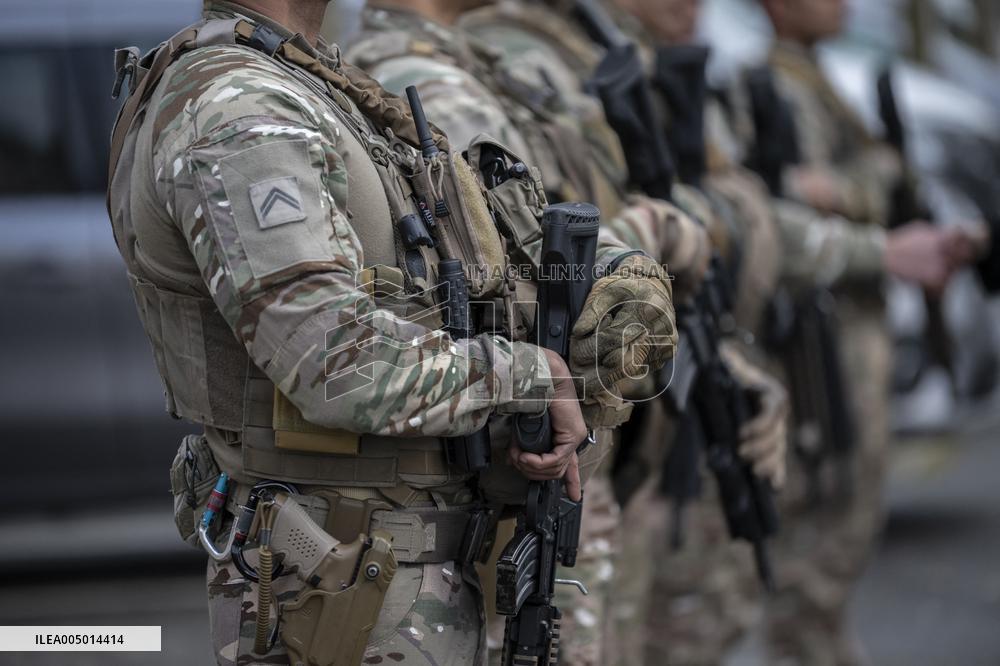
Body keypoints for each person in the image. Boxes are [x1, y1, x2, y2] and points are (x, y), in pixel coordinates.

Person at [105, 0, 679, 664]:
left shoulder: (306, 78)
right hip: (342, 588)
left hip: (395, 573)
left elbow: (477, 259)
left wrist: (614, 273)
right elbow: (332, 360)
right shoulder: (242, 107)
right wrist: (529, 378)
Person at [341, 3, 713, 663]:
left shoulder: (462, 64)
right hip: (522, 449)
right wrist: (652, 240)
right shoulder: (419, 75)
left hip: (548, 441)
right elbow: (529, 259)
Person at [457, 3, 790, 665]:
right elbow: (520, 267)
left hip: (609, 425)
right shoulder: (484, 60)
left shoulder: (559, 52)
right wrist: (659, 234)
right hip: (561, 436)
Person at [751, 1, 976, 663]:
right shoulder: (769, 85)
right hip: (821, 341)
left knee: (846, 530)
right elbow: (789, 196)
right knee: (822, 533)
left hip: (851, 328)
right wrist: (867, 189)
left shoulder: (820, 79)